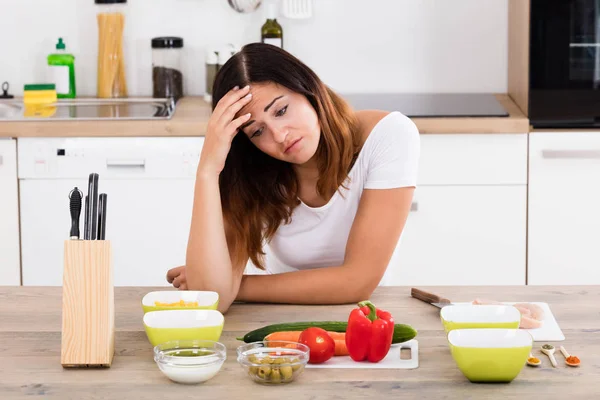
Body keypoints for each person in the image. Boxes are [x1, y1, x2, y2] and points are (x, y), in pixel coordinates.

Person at [166, 43, 420, 313]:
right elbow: (212, 299)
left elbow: (357, 282)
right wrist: (207, 171)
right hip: (281, 321)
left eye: (281, 110)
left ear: (307, 88)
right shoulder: (254, 171)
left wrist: (234, 285)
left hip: (369, 321)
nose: (278, 135)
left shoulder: (388, 135)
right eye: (257, 132)